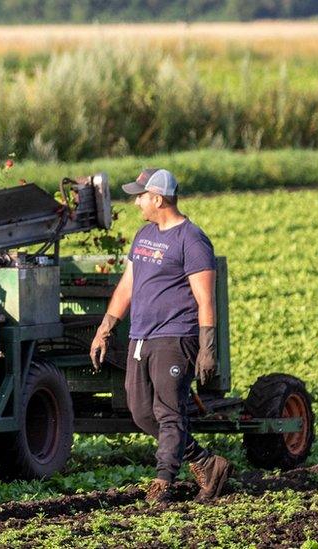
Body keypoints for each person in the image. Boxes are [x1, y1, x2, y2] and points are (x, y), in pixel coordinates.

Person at [90, 168, 232, 504]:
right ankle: (205, 462)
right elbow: (128, 285)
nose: (137, 201)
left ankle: (163, 480)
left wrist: (207, 348)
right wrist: (105, 327)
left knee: (169, 412)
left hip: (175, 336)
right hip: (141, 336)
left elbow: (205, 299)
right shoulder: (144, 235)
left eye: (141, 195)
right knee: (141, 412)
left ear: (158, 198)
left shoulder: (192, 240)